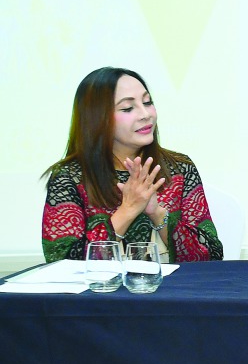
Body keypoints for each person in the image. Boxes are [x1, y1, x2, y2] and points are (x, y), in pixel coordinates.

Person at [42, 67, 224, 262]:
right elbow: (62, 263)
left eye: (148, 102)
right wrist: (128, 209)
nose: (146, 114)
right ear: (96, 118)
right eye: (128, 108)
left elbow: (212, 257)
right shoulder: (68, 176)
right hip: (104, 292)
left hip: (171, 290)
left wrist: (158, 214)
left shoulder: (180, 168)